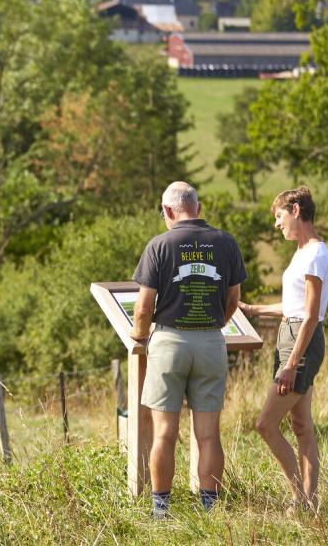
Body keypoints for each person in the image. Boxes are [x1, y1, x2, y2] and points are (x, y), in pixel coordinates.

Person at [130, 181, 247, 519]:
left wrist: (140, 337)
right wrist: (213, 326)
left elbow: (143, 307)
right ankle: (209, 509)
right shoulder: (226, 242)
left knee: (165, 434)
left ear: (168, 211)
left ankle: (161, 510)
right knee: (209, 434)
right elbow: (233, 299)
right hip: (211, 341)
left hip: (169, 342)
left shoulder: (159, 245)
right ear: (199, 207)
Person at [240, 185, 328, 513]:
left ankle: (300, 497)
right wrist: (252, 309)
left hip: (301, 342)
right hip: (291, 335)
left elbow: (309, 315)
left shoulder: (316, 255)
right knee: (301, 425)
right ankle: (311, 500)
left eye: (279, 216)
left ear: (296, 211)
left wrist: (292, 363)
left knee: (265, 424)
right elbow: (293, 306)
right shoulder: (302, 252)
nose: (276, 224)